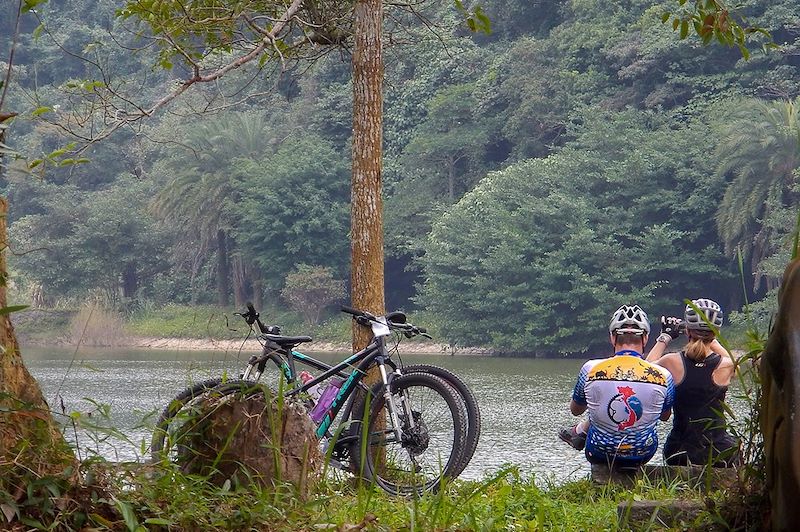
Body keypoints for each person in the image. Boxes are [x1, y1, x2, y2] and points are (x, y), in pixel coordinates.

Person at [560, 305, 674, 468]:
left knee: (597, 409)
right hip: (642, 454)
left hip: (599, 452)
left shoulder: (590, 369)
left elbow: (575, 410)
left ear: (613, 338)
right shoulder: (664, 375)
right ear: (645, 338)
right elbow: (664, 416)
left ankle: (579, 432)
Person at [646, 298, 740, 467]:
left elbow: (646, 368)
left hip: (679, 451)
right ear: (716, 332)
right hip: (718, 451)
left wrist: (665, 337)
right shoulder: (726, 365)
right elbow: (734, 361)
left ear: (687, 331)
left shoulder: (671, 362)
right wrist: (712, 337)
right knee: (733, 445)